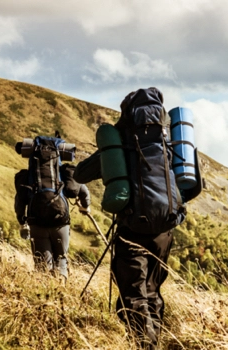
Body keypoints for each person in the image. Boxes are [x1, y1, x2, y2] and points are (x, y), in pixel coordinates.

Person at [75, 88, 202, 349]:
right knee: (152, 291)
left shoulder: (120, 143)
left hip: (131, 228)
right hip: (165, 230)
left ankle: (144, 345)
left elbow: (80, 175)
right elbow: (193, 185)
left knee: (134, 295)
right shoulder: (171, 143)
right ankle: (153, 339)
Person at [14, 138, 79, 279]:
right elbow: (79, 189)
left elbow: (20, 200)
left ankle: (45, 293)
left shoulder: (28, 176)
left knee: (42, 264)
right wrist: (86, 206)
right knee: (61, 259)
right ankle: (61, 292)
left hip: (37, 222)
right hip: (60, 222)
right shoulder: (63, 171)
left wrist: (21, 220)